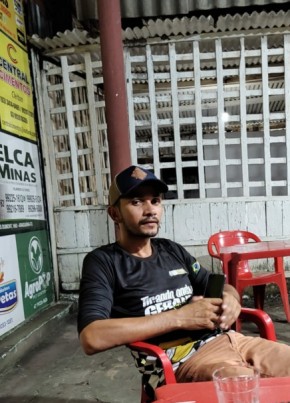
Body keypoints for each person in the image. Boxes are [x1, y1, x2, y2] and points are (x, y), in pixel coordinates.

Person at [78, 165, 290, 395]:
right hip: (183, 362)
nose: (150, 210)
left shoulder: (172, 250)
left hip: (234, 340)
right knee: (245, 390)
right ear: (115, 213)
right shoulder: (103, 262)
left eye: (156, 201)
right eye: (137, 201)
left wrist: (231, 299)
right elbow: (92, 337)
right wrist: (180, 317)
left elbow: (218, 285)